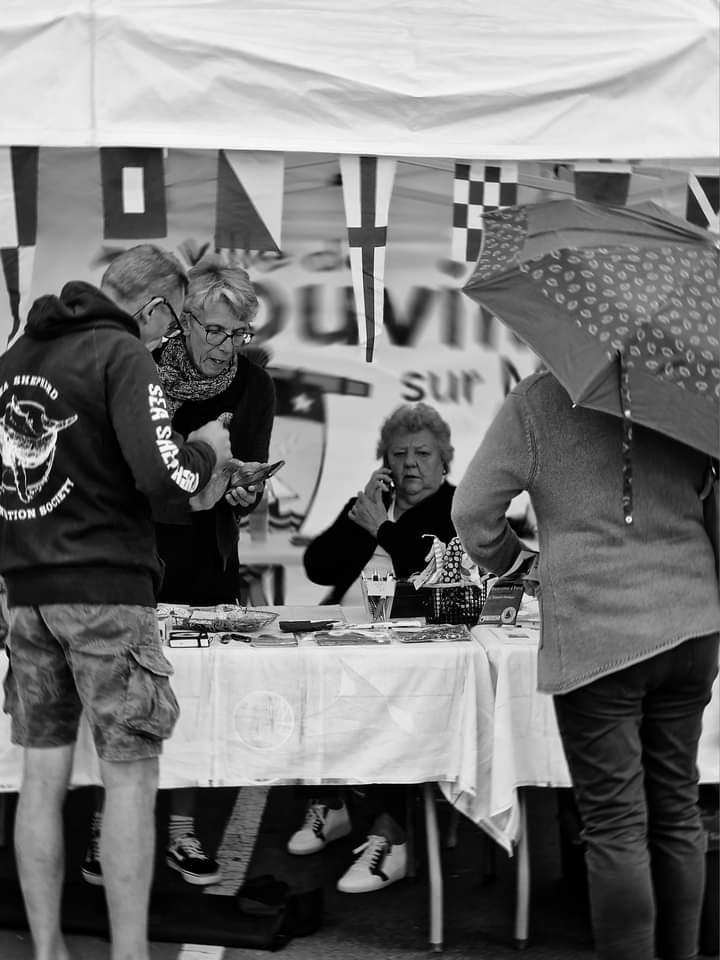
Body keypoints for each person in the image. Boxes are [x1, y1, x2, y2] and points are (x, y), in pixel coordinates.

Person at [0, 245, 232, 960]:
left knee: (42, 780)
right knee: (130, 782)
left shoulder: (15, 359)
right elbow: (161, 476)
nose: (167, 339)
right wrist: (206, 452)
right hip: (106, 592)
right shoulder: (122, 352)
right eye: (173, 324)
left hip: (28, 594)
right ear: (157, 307)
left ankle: (47, 953)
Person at [451, 369, 720, 960]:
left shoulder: (541, 399)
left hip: (599, 628)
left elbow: (472, 511)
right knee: (677, 808)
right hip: (692, 620)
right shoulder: (688, 386)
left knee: (617, 825)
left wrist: (520, 567)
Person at [83, 253, 276, 890]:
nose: (227, 346)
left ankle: (180, 830)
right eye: (215, 330)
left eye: (239, 333)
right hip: (138, 553)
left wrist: (248, 491)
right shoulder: (139, 370)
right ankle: (104, 823)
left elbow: (250, 474)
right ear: (184, 321)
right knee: (124, 690)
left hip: (208, 556)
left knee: (196, 699)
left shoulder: (256, 386)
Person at [291, 402, 456, 894]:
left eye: (422, 453)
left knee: (393, 702)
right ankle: (334, 804)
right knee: (311, 676)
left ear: (444, 459)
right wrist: (361, 518)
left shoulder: (455, 507)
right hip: (351, 634)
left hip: (413, 649)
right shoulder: (370, 504)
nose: (409, 464)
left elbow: (436, 566)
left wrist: (380, 529)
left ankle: (392, 834)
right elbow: (318, 567)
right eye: (399, 453)